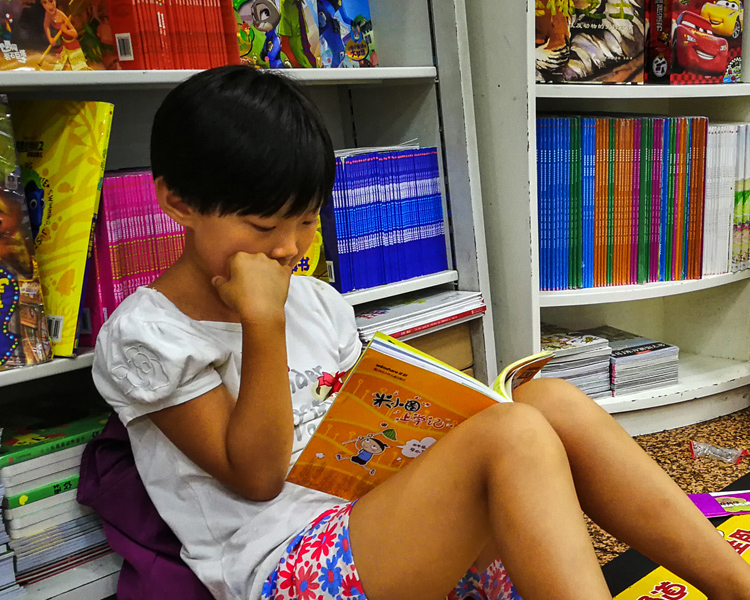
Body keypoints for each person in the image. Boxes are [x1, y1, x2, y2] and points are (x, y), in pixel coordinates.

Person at [91, 65, 750, 600]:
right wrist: (263, 325)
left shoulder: (317, 301)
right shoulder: (148, 336)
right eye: (264, 228)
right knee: (512, 435)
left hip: (378, 519)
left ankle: (735, 586)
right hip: (285, 570)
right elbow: (257, 478)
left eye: (308, 222)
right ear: (178, 203)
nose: (290, 249)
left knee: (546, 403)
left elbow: (363, 429)